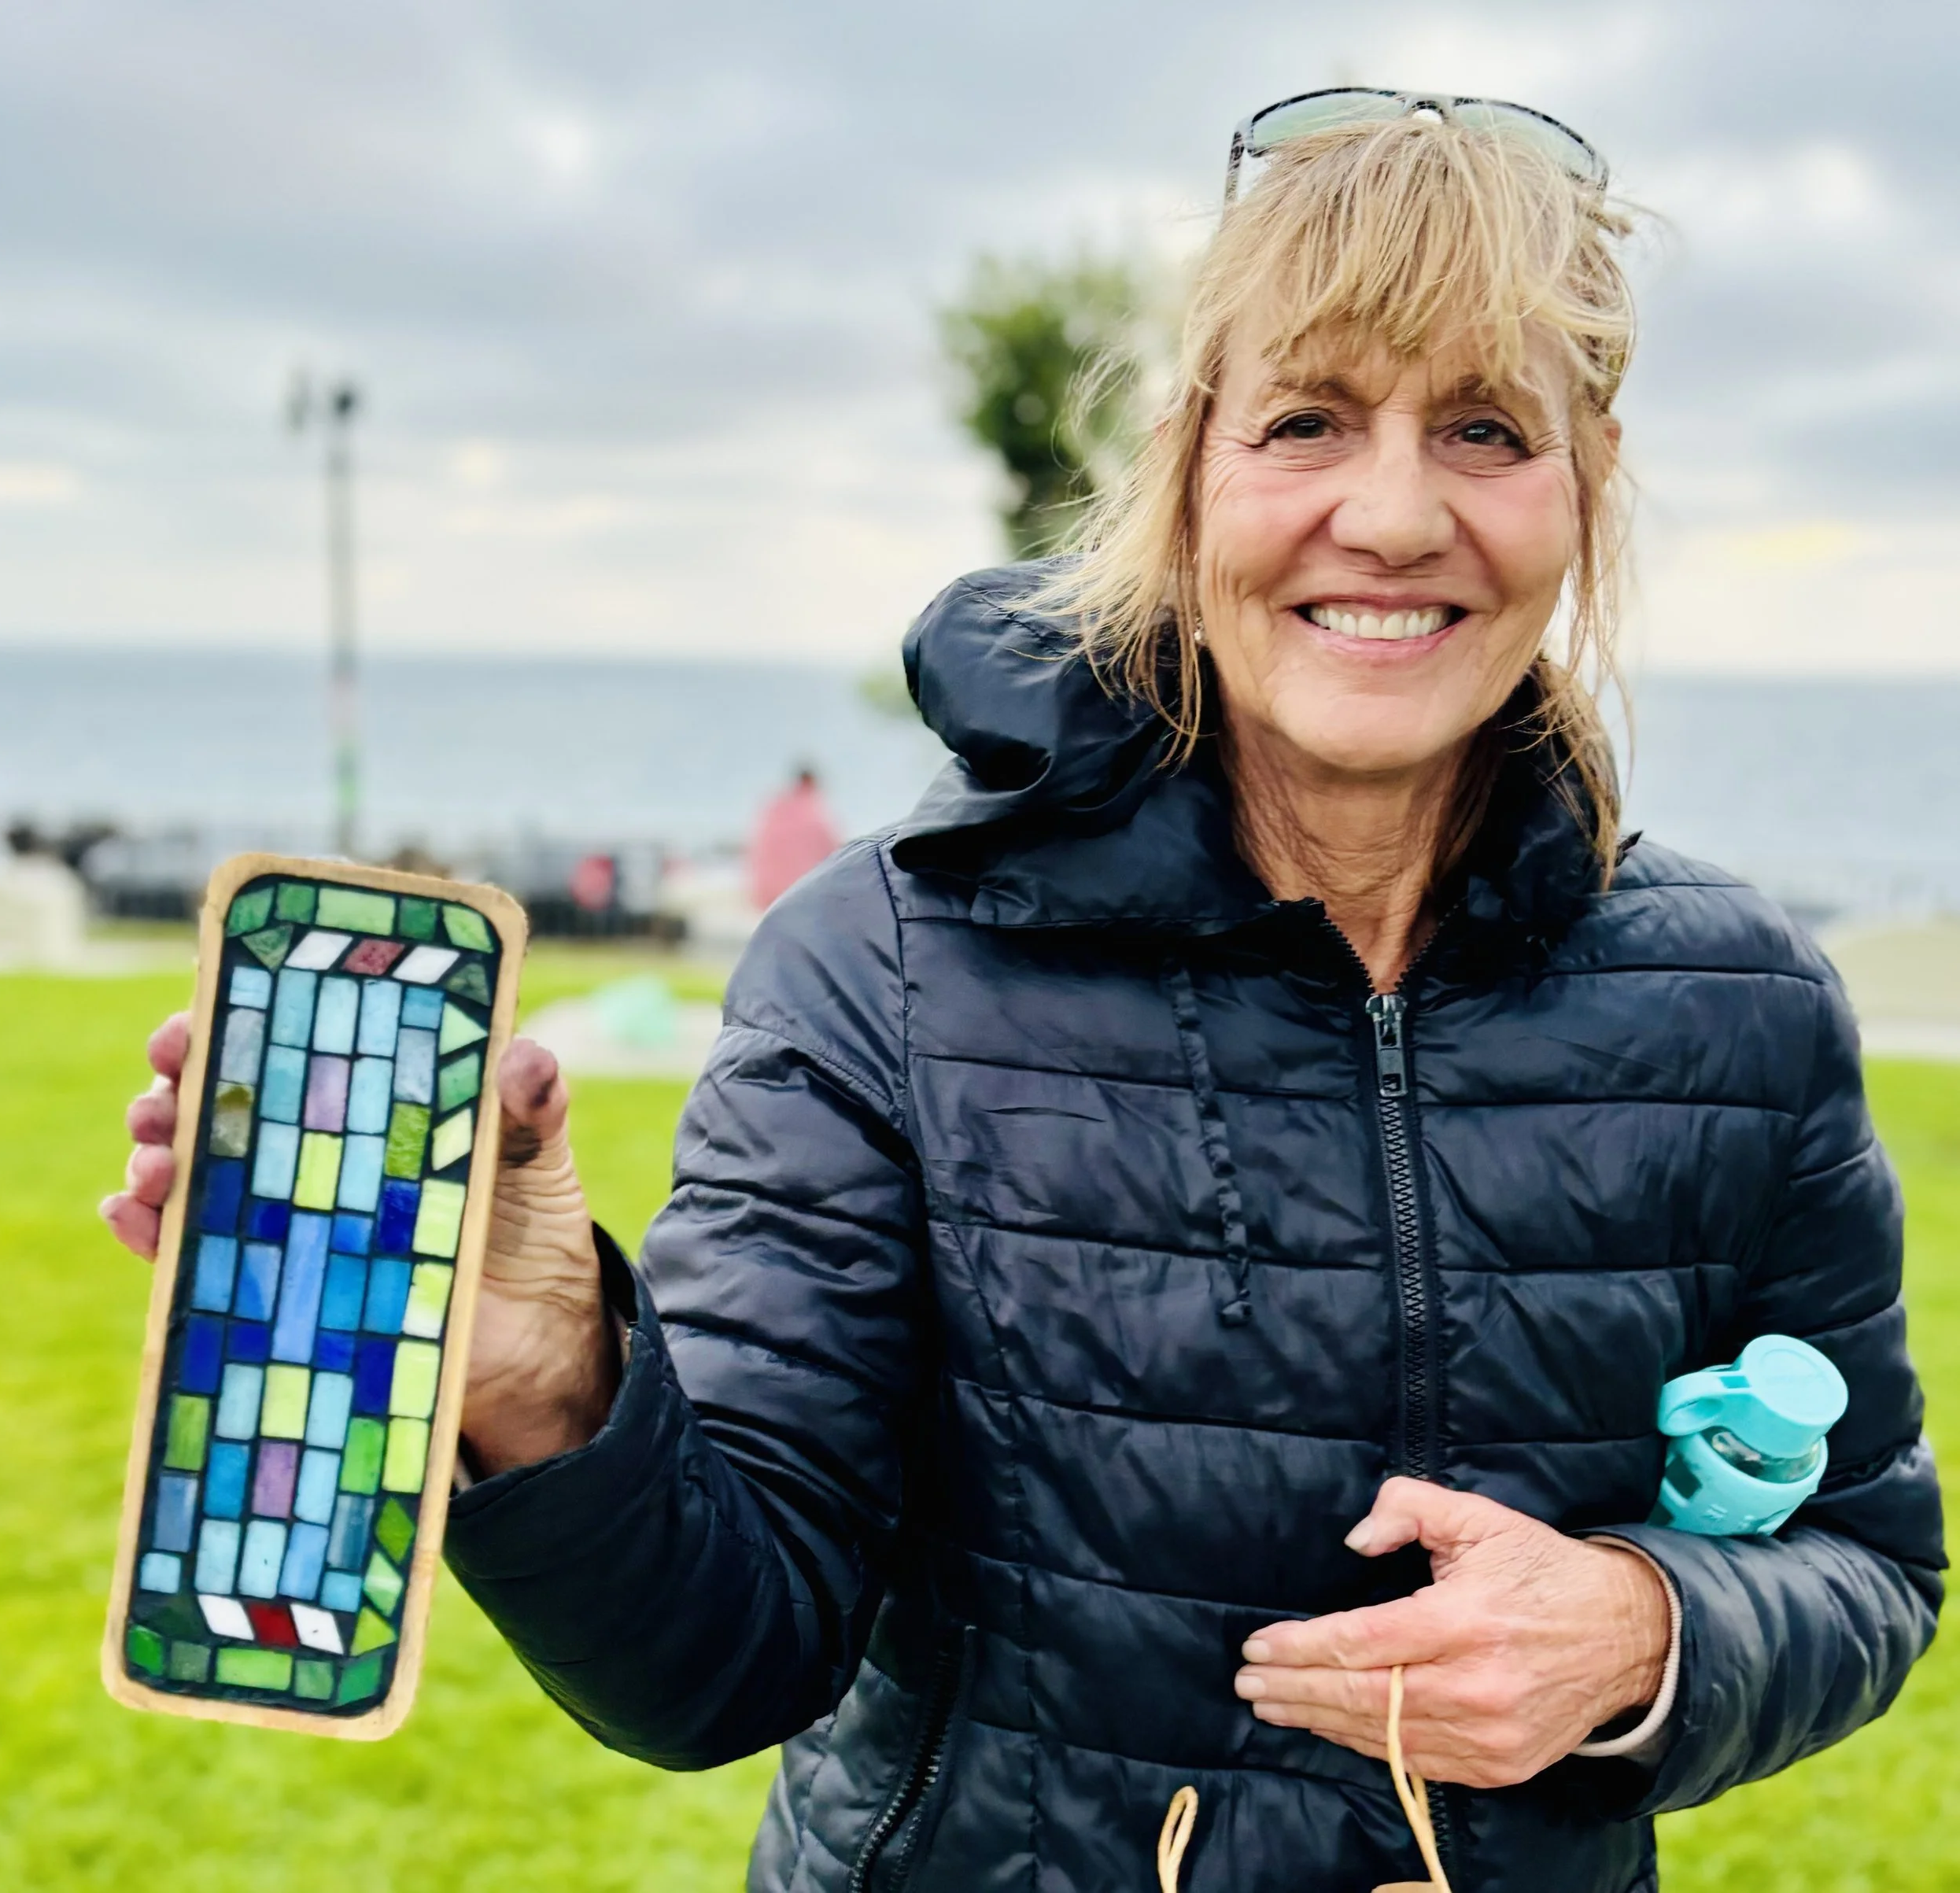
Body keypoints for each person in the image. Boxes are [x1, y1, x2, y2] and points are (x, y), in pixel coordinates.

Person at [105, 98, 1943, 1891]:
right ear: (1187, 466)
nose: (1391, 512)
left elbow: (1868, 1556)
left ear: (1588, 483)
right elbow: (714, 1665)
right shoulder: (881, 961)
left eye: (1483, 426)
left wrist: (1643, 1626)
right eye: (1307, 416)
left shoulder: (1740, 998)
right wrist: (548, 1382)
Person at [747, 763, 841, 909]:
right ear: (813, 784)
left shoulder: (775, 806)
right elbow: (834, 853)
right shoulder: (815, 812)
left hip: (767, 893)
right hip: (799, 893)